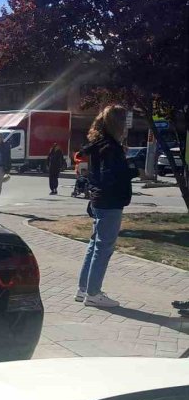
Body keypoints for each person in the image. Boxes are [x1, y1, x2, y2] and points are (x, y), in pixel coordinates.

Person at [75, 104, 137, 308]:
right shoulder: (110, 147)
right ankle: (93, 293)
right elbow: (111, 176)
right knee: (103, 247)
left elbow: (99, 174)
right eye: (124, 122)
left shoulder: (99, 144)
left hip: (98, 199)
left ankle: (84, 289)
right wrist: (132, 172)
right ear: (118, 124)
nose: (127, 127)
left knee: (95, 245)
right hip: (110, 201)